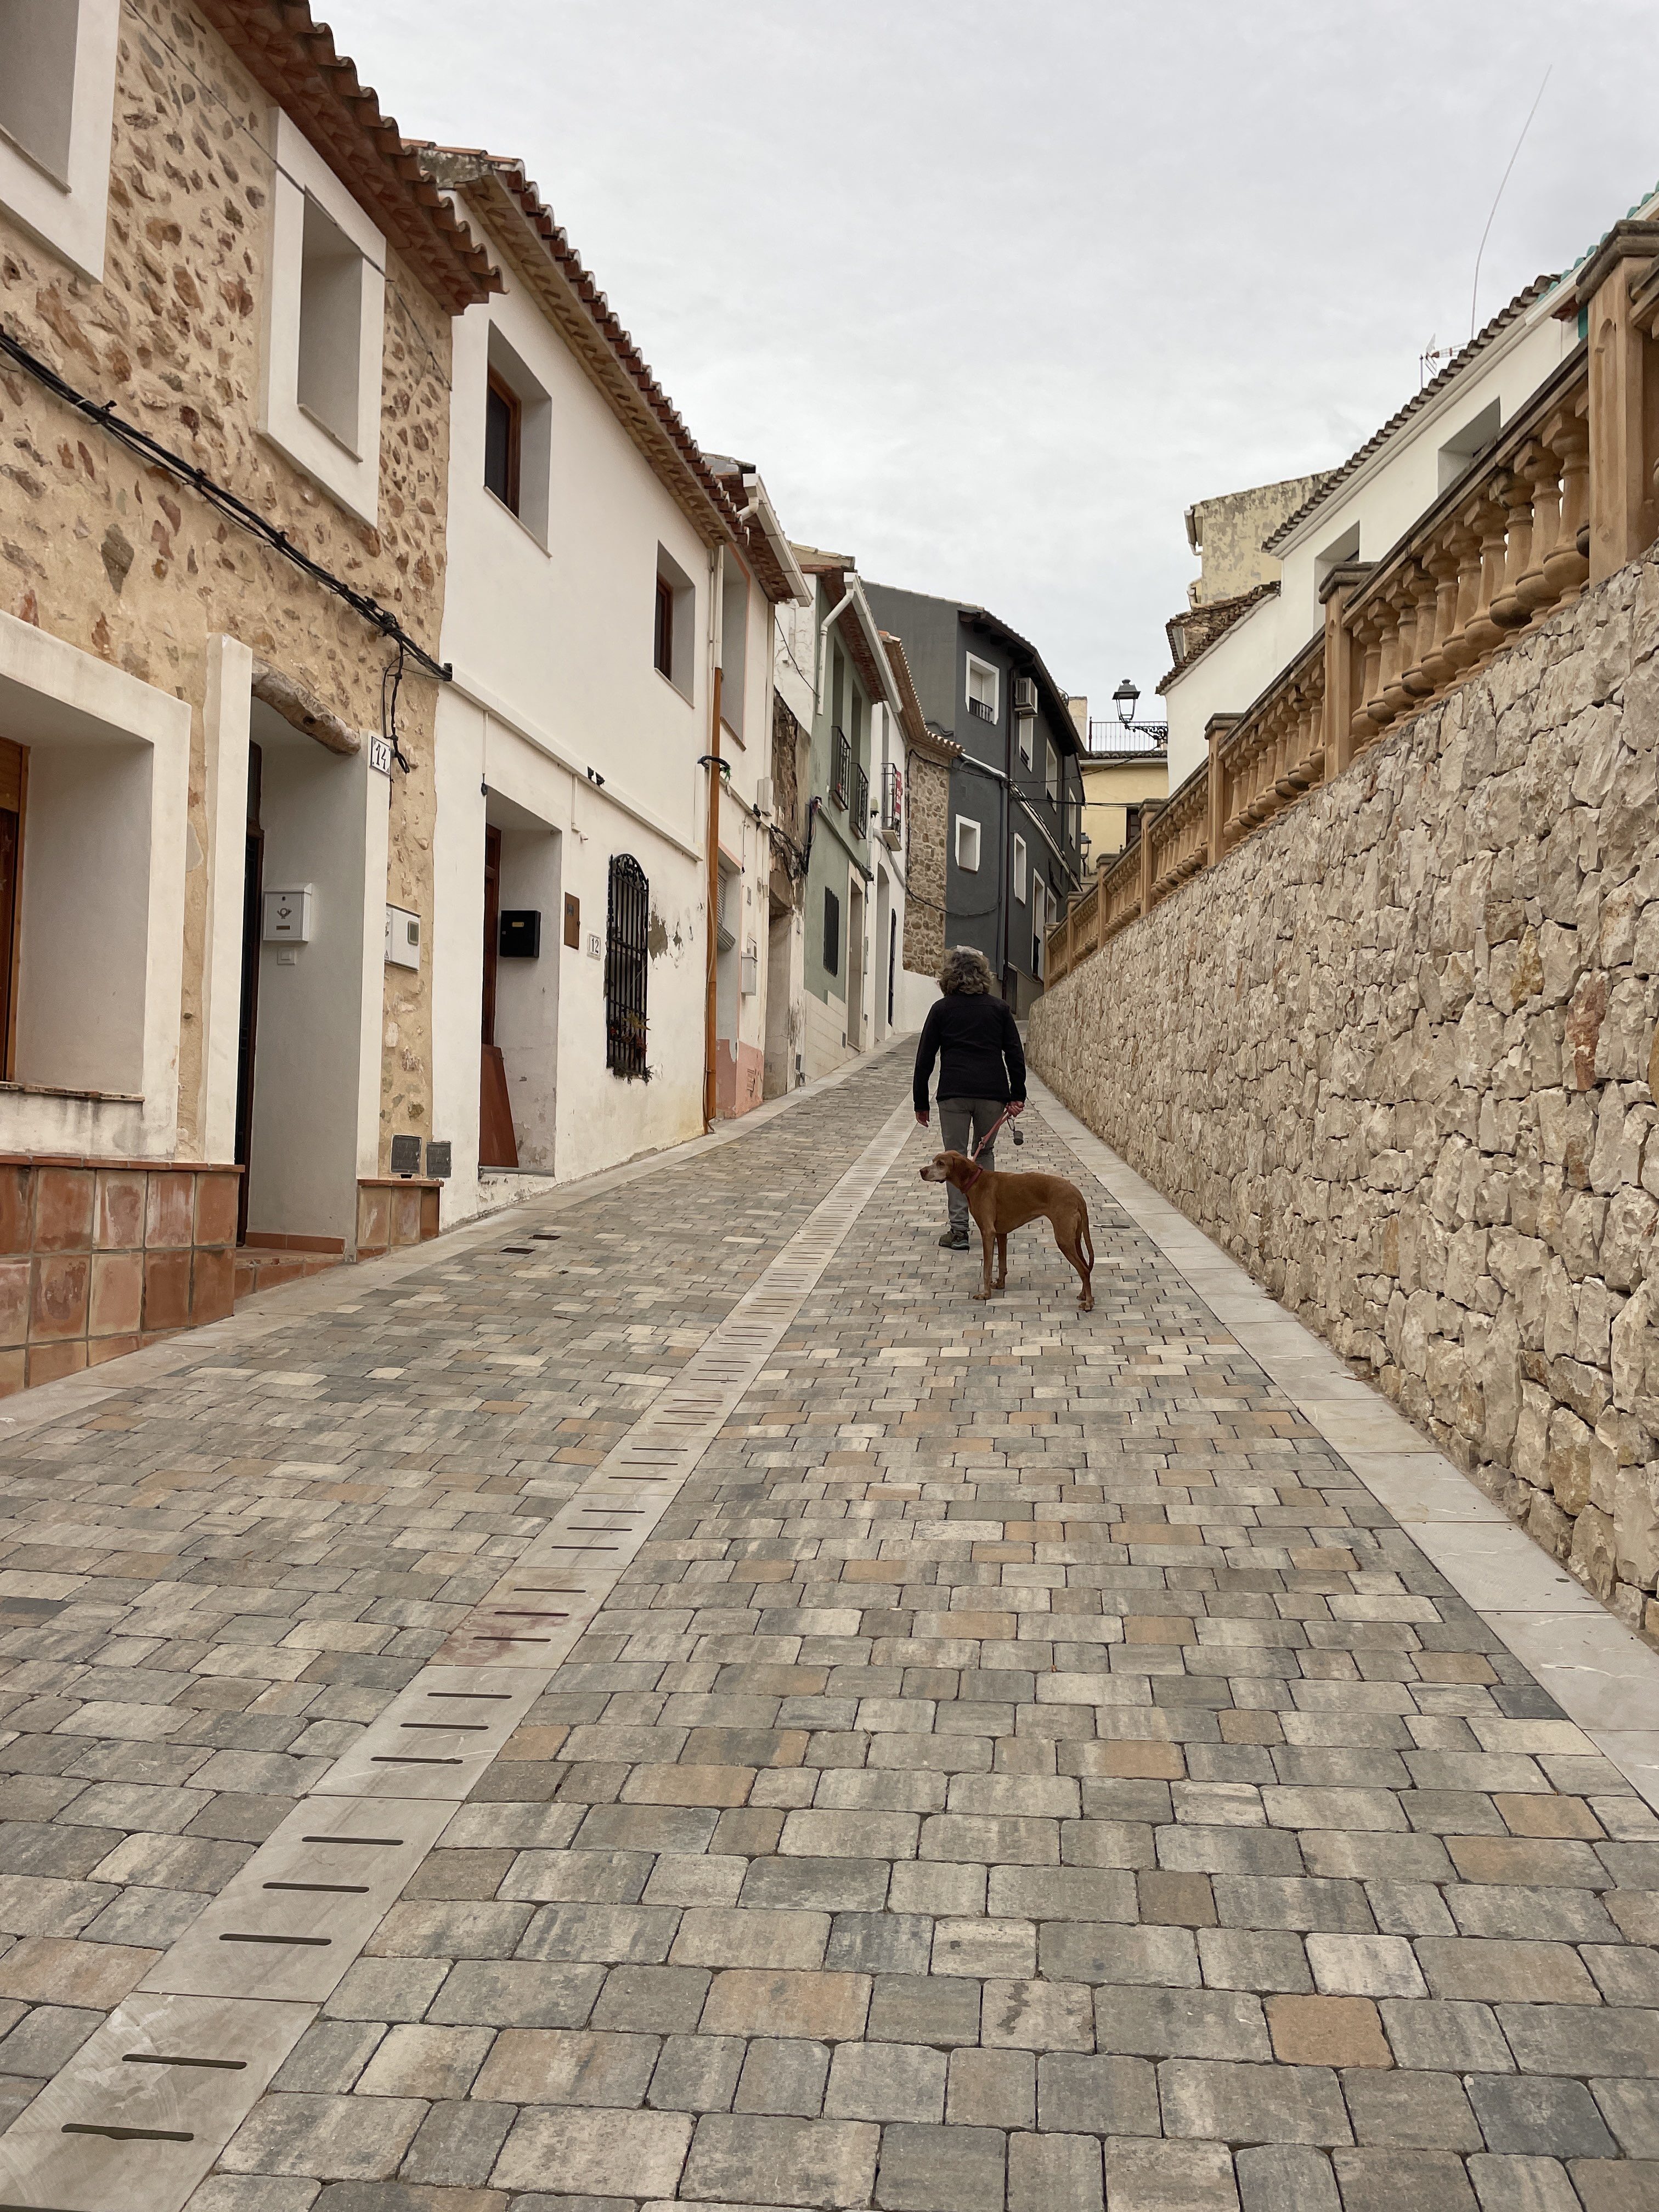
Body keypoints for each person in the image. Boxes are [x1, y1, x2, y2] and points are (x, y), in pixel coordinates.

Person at [913, 946, 1026, 1249]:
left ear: (949, 976)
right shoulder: (999, 1009)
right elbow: (1015, 1054)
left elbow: (925, 1058)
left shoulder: (941, 1010)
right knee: (984, 1152)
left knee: (953, 1158)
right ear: (983, 976)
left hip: (954, 1094)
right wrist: (1017, 1095)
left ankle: (960, 1230)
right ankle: (988, 1220)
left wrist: (920, 1102)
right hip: (992, 1093)